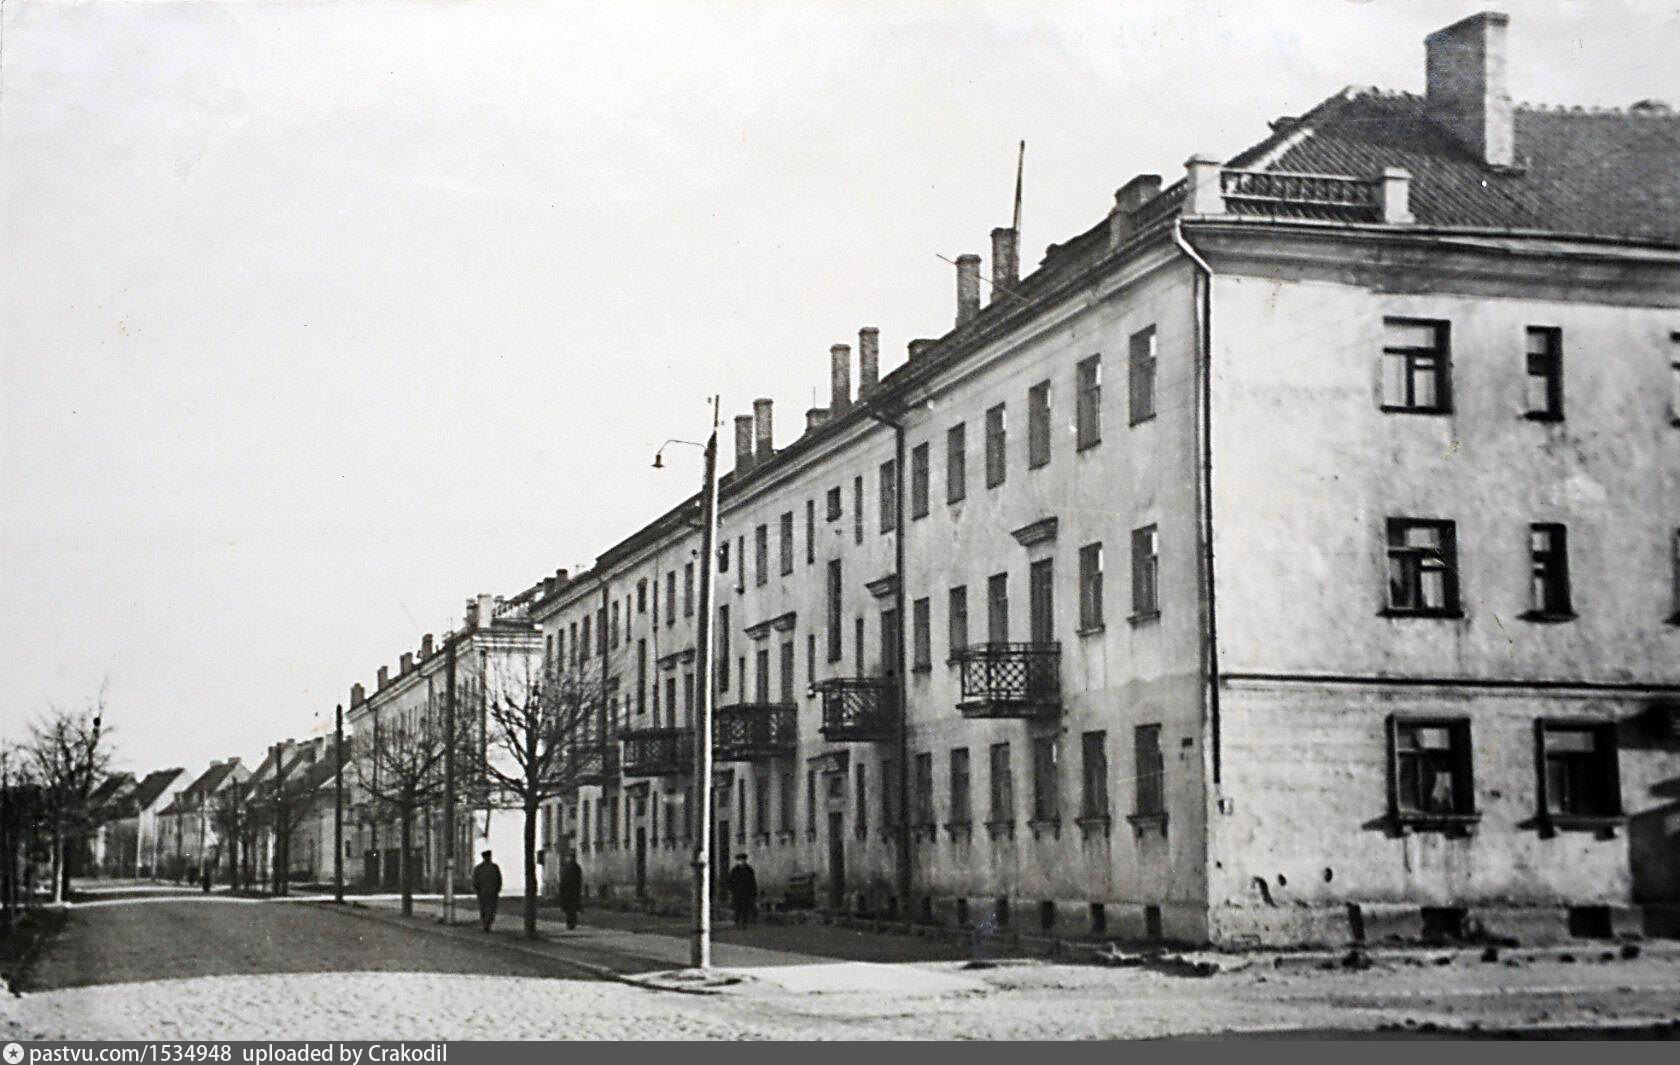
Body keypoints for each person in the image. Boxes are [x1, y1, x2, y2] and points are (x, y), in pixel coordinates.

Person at [471, 850, 502, 932]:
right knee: (486, 909)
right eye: (487, 857)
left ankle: (487, 924)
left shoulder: (493, 867)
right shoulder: (481, 868)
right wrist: (477, 890)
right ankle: (486, 924)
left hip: (489, 892)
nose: (488, 858)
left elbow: (499, 879)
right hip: (485, 892)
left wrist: (498, 889)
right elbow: (475, 881)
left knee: (489, 909)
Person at [725, 853, 757, 929]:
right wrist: (731, 890)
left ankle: (744, 923)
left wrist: (753, 892)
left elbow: (752, 881)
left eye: (744, 860)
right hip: (737, 893)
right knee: (737, 908)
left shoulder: (749, 870)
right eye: (740, 860)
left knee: (745, 908)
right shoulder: (735, 870)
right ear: (738, 861)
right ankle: (737, 923)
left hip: (746, 893)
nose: (742, 861)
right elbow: (730, 881)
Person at [558, 850, 584, 930]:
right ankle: (572, 923)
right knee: (572, 909)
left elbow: (562, 879)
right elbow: (579, 879)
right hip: (574, 891)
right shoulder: (577, 867)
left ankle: (570, 923)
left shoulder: (565, 867)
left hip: (567, 891)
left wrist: (561, 890)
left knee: (569, 909)